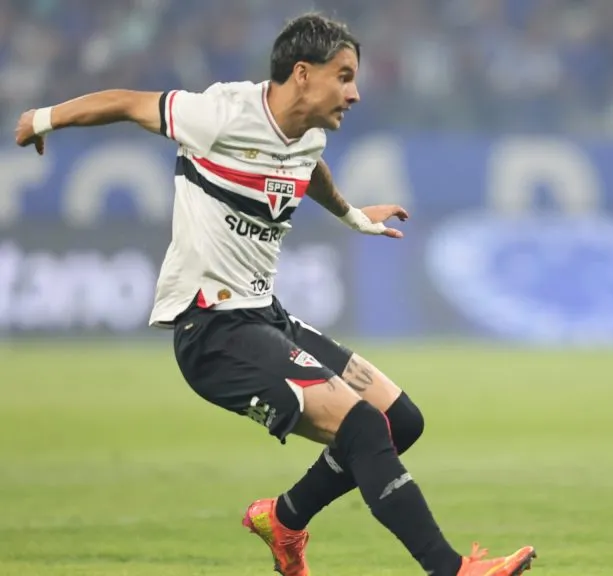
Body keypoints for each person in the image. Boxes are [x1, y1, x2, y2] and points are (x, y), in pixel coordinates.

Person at [13, 13, 536, 576]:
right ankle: (450, 569)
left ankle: (285, 519)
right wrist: (43, 119)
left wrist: (355, 217)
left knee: (400, 420)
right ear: (303, 74)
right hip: (212, 329)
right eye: (344, 76)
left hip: (266, 317)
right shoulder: (220, 114)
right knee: (360, 425)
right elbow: (125, 101)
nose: (355, 93)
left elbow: (309, 170)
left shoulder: (308, 136)